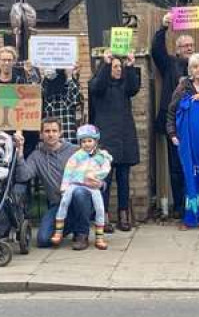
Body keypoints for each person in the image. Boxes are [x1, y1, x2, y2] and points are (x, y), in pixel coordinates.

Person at [152, 16, 199, 218]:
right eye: (184, 46)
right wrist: (163, 26)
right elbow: (156, 50)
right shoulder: (170, 64)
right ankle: (180, 207)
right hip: (177, 127)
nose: (189, 48)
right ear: (177, 50)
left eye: (191, 45)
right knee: (176, 167)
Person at [15, 118, 97, 249]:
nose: (51, 134)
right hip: (58, 204)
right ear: (41, 134)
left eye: (54, 131)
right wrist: (19, 152)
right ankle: (74, 224)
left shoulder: (75, 150)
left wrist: (98, 182)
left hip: (80, 199)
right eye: (47, 131)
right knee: (43, 240)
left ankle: (82, 234)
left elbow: (96, 169)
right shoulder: (37, 156)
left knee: (80, 193)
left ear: (60, 133)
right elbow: (24, 176)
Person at [90, 49, 140, 232]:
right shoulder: (99, 84)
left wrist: (131, 65)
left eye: (120, 67)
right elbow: (97, 86)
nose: (119, 70)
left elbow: (134, 87)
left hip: (125, 136)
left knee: (123, 178)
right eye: (115, 66)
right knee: (105, 179)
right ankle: (103, 216)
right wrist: (105, 63)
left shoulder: (124, 86)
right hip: (106, 137)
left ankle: (123, 214)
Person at [51, 124, 111, 249]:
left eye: (90, 141)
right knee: (63, 204)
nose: (87, 144)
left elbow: (106, 169)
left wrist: (96, 176)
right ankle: (58, 232)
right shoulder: (76, 156)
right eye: (84, 141)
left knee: (100, 209)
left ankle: (99, 237)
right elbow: (68, 171)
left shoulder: (101, 156)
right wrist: (64, 187)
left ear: (96, 141)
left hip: (92, 187)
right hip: (75, 184)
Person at [41, 67, 82, 143]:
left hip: (68, 140)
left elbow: (76, 98)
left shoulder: (68, 89)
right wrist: (43, 77)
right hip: (50, 143)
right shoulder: (46, 94)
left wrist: (69, 76)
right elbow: (35, 93)